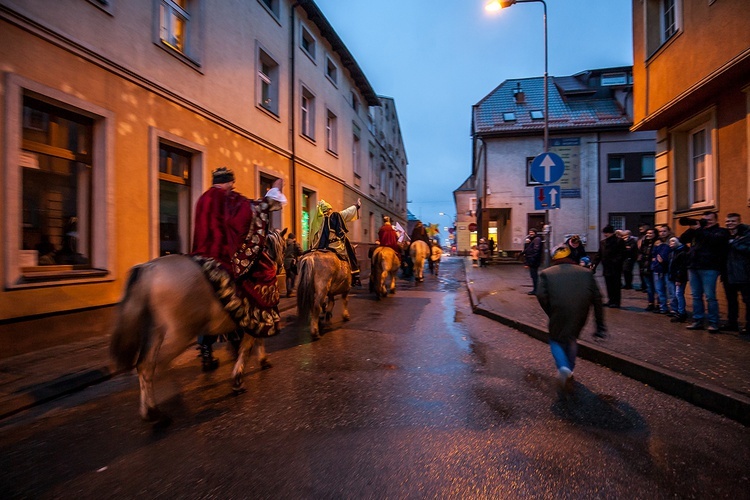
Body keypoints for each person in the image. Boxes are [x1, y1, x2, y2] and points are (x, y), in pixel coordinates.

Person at [192, 167, 286, 371]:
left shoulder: (203, 198)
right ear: (227, 182)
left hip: (199, 257)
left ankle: (206, 351)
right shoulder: (229, 198)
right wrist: (273, 193)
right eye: (232, 182)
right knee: (251, 286)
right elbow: (248, 213)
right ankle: (244, 329)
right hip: (221, 258)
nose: (233, 186)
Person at [536, 246, 606, 394]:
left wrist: (551, 311)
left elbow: (541, 295)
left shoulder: (546, 274)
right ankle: (570, 369)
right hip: (581, 311)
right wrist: (600, 325)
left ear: (554, 258)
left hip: (558, 309)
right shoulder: (586, 273)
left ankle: (564, 367)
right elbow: (598, 298)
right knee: (572, 337)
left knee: (555, 339)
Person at [679, 211, 729, 332]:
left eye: (709, 220)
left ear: (716, 220)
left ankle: (713, 322)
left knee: (710, 296)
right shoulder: (698, 231)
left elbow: (714, 241)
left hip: (709, 268)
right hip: (693, 267)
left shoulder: (720, 232)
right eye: (704, 220)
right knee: (696, 296)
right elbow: (682, 239)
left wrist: (699, 230)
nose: (707, 222)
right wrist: (692, 229)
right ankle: (698, 320)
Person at [309, 198, 362, 286]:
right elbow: (347, 212)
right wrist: (356, 206)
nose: (331, 210)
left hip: (322, 247)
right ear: (328, 210)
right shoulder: (335, 216)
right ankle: (355, 275)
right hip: (336, 246)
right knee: (350, 251)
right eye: (330, 209)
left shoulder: (317, 221)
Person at [723, 213, 750, 334]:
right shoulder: (724, 235)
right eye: (728, 221)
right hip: (728, 274)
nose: (730, 223)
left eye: (733, 221)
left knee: (748, 301)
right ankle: (732, 323)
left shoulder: (746, 235)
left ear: (739, 222)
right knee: (731, 300)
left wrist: (734, 243)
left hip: (744, 273)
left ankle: (749, 326)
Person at [593, 225, 626, 308]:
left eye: (607, 233)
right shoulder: (603, 242)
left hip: (615, 267)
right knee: (609, 285)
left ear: (611, 233)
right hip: (606, 267)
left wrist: (615, 261)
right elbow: (599, 254)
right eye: (604, 233)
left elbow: (622, 254)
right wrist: (594, 264)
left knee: (616, 285)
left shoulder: (619, 241)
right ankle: (611, 300)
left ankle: (616, 302)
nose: (605, 235)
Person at [651, 225, 673, 314]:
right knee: (659, 290)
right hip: (658, 269)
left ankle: (673, 309)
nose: (662, 233)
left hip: (667, 270)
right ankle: (663, 308)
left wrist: (663, 261)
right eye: (660, 231)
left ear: (668, 232)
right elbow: (653, 255)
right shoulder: (657, 242)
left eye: (664, 231)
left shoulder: (672, 242)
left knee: (670, 291)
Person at [667, 237, 689, 323]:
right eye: (670, 241)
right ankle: (678, 311)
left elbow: (682, 267)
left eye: (673, 241)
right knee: (676, 294)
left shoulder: (682, 252)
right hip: (673, 276)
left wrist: (679, 278)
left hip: (679, 277)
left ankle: (681, 313)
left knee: (679, 294)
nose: (671, 243)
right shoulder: (673, 252)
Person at [638, 228, 656, 310]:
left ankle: (659, 305)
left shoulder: (656, 243)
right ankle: (650, 303)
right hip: (646, 267)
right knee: (649, 287)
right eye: (648, 233)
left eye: (651, 233)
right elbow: (641, 253)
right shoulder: (644, 243)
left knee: (657, 287)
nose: (649, 235)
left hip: (654, 268)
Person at [520, 228, 543, 295]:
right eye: (530, 232)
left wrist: (532, 258)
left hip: (534, 260)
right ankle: (536, 289)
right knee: (533, 275)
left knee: (534, 275)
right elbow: (527, 249)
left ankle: (536, 290)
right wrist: (527, 244)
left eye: (532, 232)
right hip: (532, 259)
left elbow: (536, 250)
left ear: (535, 233)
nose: (531, 233)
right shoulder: (531, 239)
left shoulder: (537, 239)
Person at [283, 233, 302, 298]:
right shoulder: (295, 244)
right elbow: (300, 252)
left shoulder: (284, 243)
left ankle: (288, 291)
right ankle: (291, 291)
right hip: (292, 262)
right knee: (292, 277)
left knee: (288, 276)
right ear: (294, 237)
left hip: (285, 262)